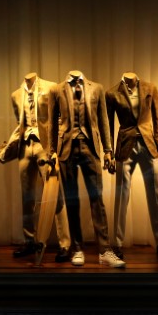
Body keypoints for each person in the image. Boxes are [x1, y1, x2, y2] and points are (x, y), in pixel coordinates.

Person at [48, 70, 125, 268]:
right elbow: (51, 125)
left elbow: (104, 121)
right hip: (66, 149)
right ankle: (77, 249)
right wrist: (51, 151)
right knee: (72, 201)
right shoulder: (56, 90)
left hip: (91, 147)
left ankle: (105, 250)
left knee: (97, 199)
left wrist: (108, 150)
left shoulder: (96, 88)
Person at [0, 72, 70, 262]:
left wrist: (56, 146)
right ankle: (29, 240)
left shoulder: (51, 87)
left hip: (45, 146)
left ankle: (65, 244)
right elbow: (20, 122)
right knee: (26, 196)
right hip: (25, 147)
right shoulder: (16, 95)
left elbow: (60, 118)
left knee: (56, 195)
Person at [106, 72, 158, 261]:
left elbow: (157, 118)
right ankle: (117, 244)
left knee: (155, 194)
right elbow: (108, 125)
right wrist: (109, 151)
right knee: (121, 196)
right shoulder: (112, 94)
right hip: (125, 145)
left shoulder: (150, 88)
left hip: (148, 145)